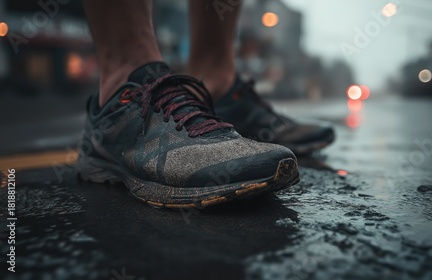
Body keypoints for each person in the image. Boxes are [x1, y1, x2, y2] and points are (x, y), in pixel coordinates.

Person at [77, 0, 334, 208]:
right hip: (123, 99)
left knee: (215, 74)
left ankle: (216, 84)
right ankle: (123, 78)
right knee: (132, 69)